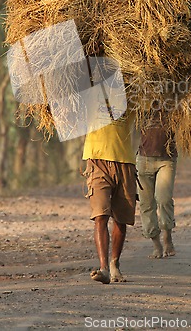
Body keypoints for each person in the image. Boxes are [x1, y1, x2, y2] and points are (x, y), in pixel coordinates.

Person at [82, 105, 136, 284]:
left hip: (125, 162)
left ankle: (114, 263)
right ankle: (103, 267)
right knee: (100, 215)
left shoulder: (131, 93)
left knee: (121, 219)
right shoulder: (90, 93)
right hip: (97, 162)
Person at [136, 111, 177, 258]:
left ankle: (167, 237)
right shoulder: (141, 101)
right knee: (146, 204)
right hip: (144, 159)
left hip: (167, 158)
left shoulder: (173, 100)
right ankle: (156, 244)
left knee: (164, 198)